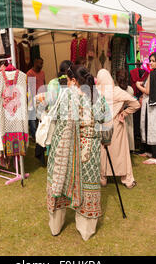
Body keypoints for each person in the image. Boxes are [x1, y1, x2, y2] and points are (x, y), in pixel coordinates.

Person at [46, 64, 109, 241]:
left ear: (74, 81)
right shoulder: (98, 97)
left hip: (64, 152)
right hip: (90, 151)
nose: (66, 83)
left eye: (67, 79)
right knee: (87, 186)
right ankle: (86, 230)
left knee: (59, 183)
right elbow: (105, 122)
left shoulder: (65, 97)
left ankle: (55, 226)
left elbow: (54, 116)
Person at [97, 69, 140, 189]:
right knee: (121, 153)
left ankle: (103, 179)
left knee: (103, 153)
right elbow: (136, 104)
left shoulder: (96, 91)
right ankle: (127, 180)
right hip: (116, 125)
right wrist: (124, 113)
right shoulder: (116, 91)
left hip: (101, 126)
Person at [136, 52, 156, 165]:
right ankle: (151, 152)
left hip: (154, 105)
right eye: (150, 60)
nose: (150, 63)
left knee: (153, 127)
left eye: (153, 61)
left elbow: (148, 91)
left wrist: (138, 86)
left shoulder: (154, 74)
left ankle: (155, 156)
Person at [27, 57, 46, 164]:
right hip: (33, 99)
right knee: (33, 120)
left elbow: (44, 83)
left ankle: (39, 138)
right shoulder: (29, 73)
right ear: (35, 63)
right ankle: (35, 137)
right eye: (40, 63)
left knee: (41, 120)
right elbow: (30, 88)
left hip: (42, 99)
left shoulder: (42, 73)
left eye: (42, 63)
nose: (41, 65)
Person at [115, 69, 136, 152]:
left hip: (119, 112)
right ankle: (130, 148)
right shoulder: (130, 89)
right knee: (129, 129)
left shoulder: (116, 89)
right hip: (129, 111)